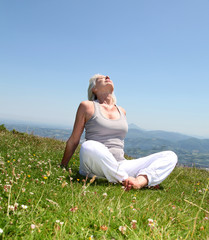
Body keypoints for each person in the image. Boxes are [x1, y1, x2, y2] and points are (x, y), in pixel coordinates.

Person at [61, 74, 178, 190]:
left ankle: (139, 181)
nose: (107, 76)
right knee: (88, 146)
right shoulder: (87, 106)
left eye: (107, 77)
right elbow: (74, 140)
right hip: (93, 165)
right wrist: (63, 165)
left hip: (120, 164)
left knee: (170, 156)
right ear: (94, 89)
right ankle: (127, 179)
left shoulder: (122, 111)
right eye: (101, 78)